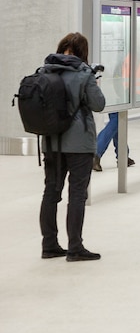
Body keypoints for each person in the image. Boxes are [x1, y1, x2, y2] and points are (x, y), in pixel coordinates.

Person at [39, 32, 106, 262]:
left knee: (51, 192)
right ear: (82, 52)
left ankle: (49, 245)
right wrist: (95, 84)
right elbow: (99, 104)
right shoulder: (84, 73)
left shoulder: (46, 70)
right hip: (78, 143)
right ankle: (75, 247)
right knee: (76, 195)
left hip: (51, 141)